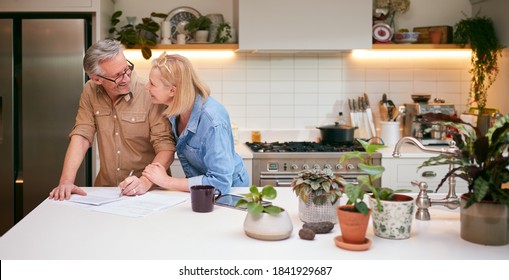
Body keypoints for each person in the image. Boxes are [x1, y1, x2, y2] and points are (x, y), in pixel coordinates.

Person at [49, 40, 176, 200]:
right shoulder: (90, 90)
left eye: (127, 69)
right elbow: (82, 135)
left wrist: (144, 182)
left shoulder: (149, 93)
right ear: (97, 79)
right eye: (117, 76)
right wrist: (66, 181)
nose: (126, 78)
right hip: (106, 190)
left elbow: (165, 146)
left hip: (149, 192)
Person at [142, 53, 249, 194]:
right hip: (202, 191)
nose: (146, 87)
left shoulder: (212, 121)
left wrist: (167, 181)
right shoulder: (175, 109)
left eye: (152, 83)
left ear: (172, 90)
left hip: (232, 191)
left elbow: (221, 183)